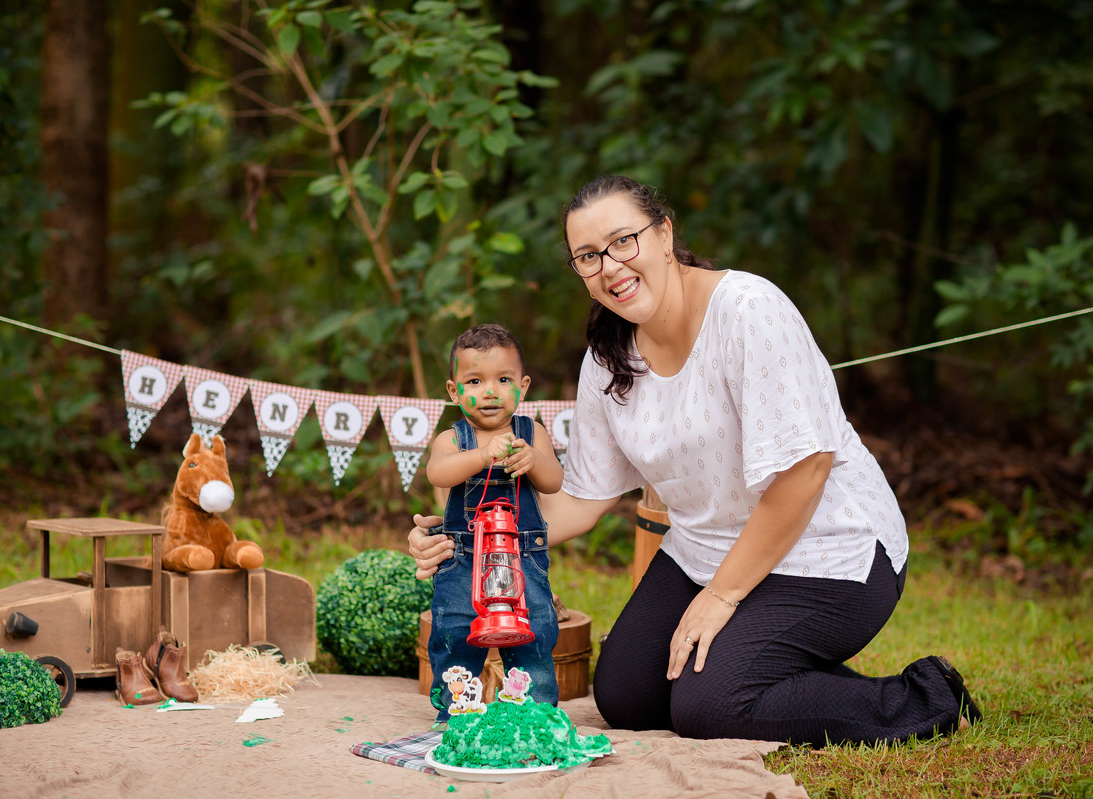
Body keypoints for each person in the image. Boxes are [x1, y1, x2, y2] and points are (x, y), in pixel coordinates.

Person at [410, 176, 981, 746]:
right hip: (703, 551)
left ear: (664, 233)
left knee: (709, 707)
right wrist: (470, 535)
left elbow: (805, 472)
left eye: (623, 241)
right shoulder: (607, 360)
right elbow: (581, 499)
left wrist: (722, 597)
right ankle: (776, 674)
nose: (609, 267)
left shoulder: (750, 311)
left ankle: (929, 696)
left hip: (829, 551)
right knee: (628, 695)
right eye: (588, 256)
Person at [423, 323, 564, 725]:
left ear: (523, 386)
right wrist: (483, 454)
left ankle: (534, 713)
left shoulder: (530, 432)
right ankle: (455, 713)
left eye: (503, 380)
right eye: (475, 380)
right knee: (454, 631)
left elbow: (554, 482)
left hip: (523, 559)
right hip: (463, 564)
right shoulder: (454, 440)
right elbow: (439, 473)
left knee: (535, 629)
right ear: (454, 391)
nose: (489, 391)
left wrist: (534, 461)